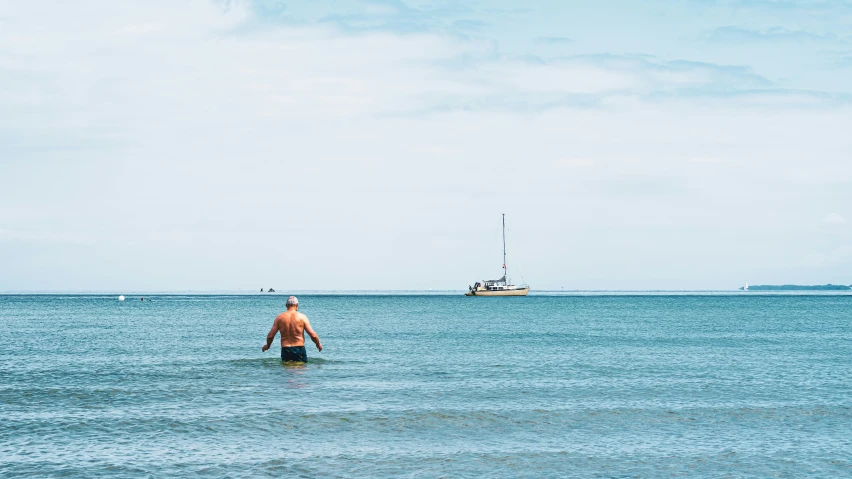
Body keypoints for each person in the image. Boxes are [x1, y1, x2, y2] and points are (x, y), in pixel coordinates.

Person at [262, 296, 322, 362]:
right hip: (299, 348)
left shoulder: (279, 318)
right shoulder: (302, 317)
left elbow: (271, 336)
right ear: (297, 305)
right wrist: (318, 344)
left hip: (286, 349)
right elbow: (313, 335)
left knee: (287, 370)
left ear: (286, 305)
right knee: (300, 370)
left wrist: (268, 346)